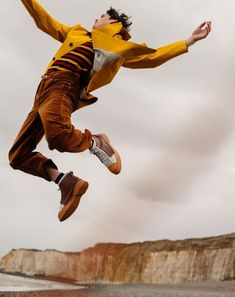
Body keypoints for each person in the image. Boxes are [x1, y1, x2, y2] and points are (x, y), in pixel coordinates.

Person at [9, 0, 211, 222]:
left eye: (102, 16)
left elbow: (151, 58)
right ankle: (64, 181)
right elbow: (44, 20)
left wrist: (189, 40)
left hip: (65, 84)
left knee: (57, 137)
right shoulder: (76, 33)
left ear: (113, 21)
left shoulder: (116, 46)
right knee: (18, 156)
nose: (96, 18)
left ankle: (96, 142)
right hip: (43, 91)